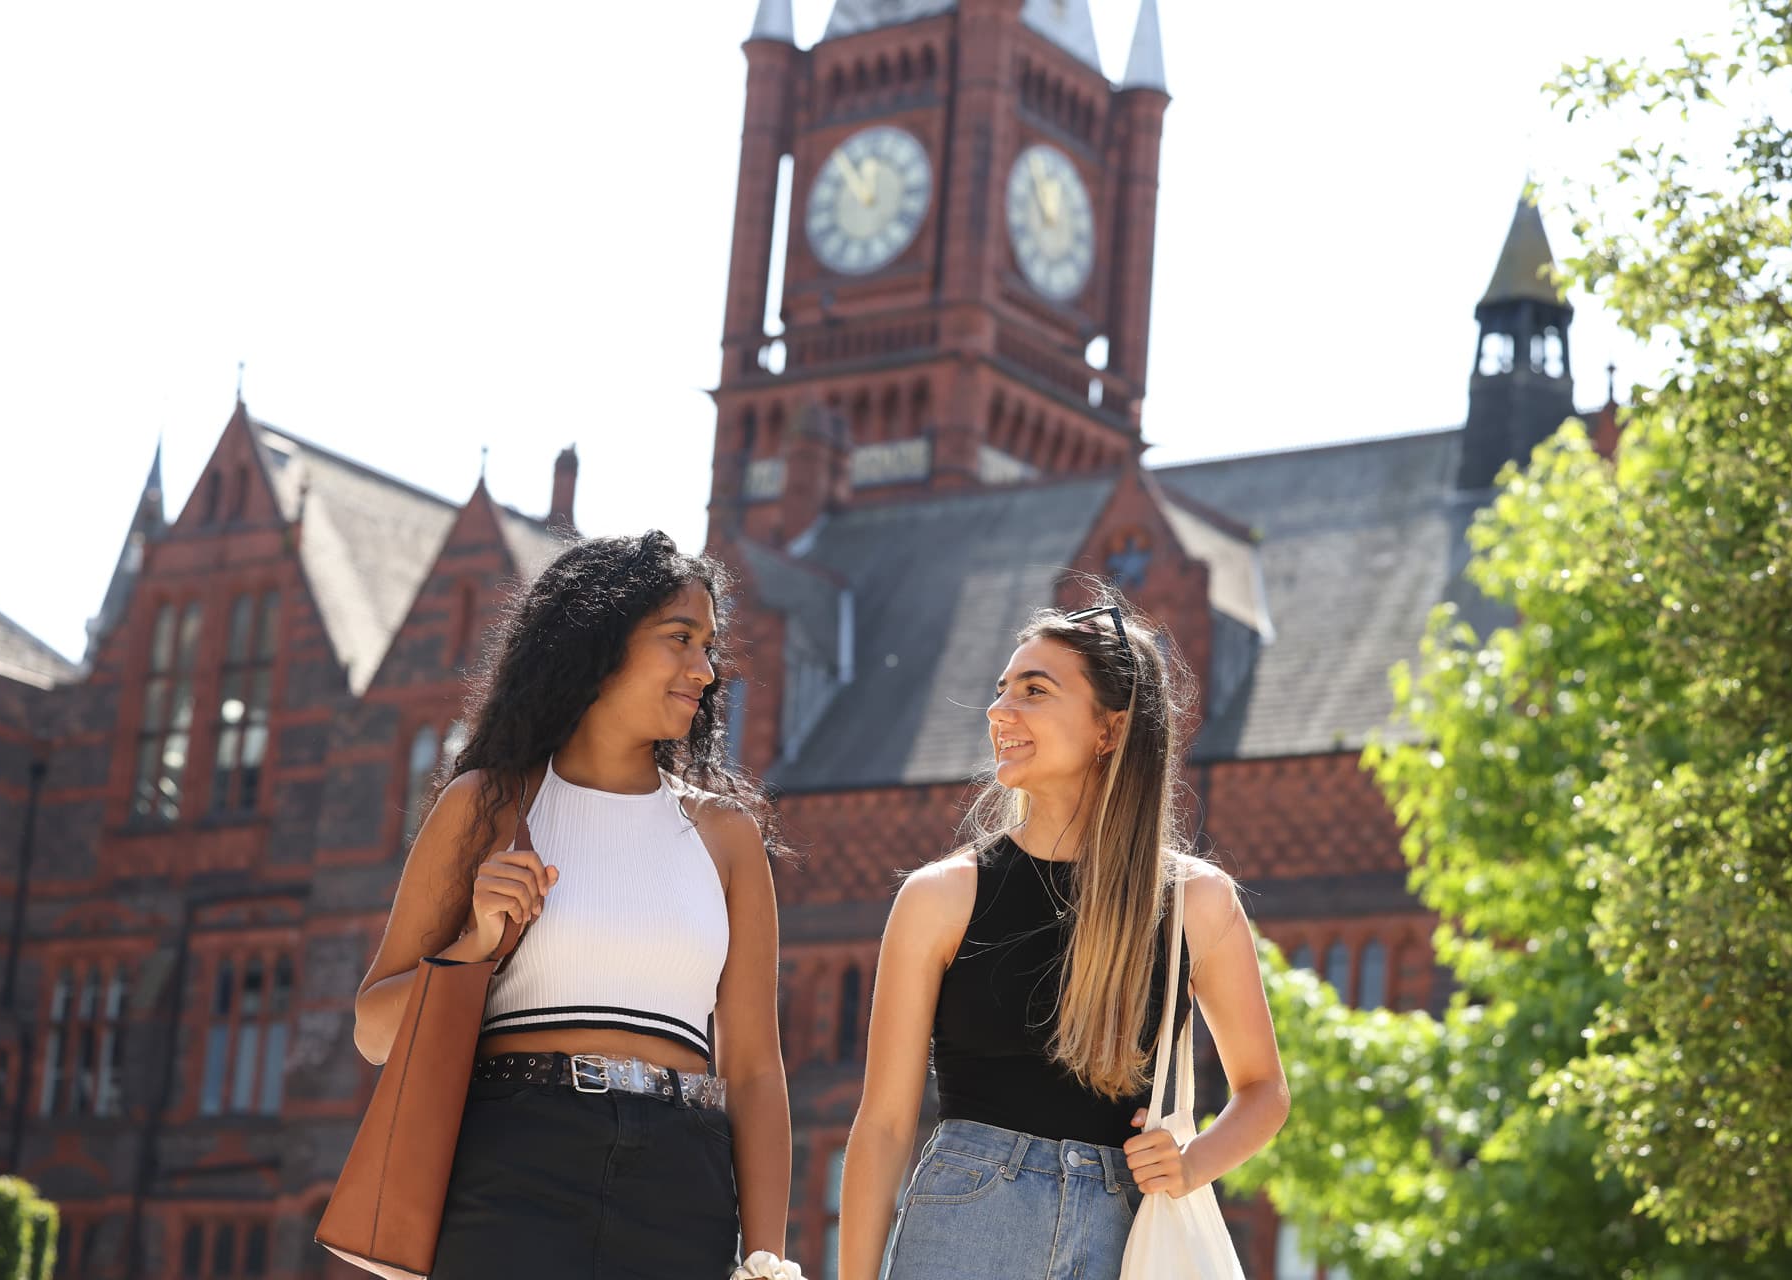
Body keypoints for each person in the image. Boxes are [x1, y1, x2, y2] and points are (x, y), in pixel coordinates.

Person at [352, 531, 791, 1280]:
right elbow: (373, 1031)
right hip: (514, 1162)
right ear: (600, 638)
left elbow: (753, 1067)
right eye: (680, 639)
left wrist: (765, 1257)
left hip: (683, 1177)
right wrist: (473, 945)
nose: (706, 669)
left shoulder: (727, 836)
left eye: (710, 646)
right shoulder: (485, 805)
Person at [837, 598, 1290, 1280]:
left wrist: (1193, 1163)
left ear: (1110, 730)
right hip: (965, 1221)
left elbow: (1263, 1090)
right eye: (1002, 691)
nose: (1000, 712)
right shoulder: (940, 898)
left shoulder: (1197, 902)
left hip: (1126, 1231)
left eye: (1034, 691)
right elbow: (884, 1126)